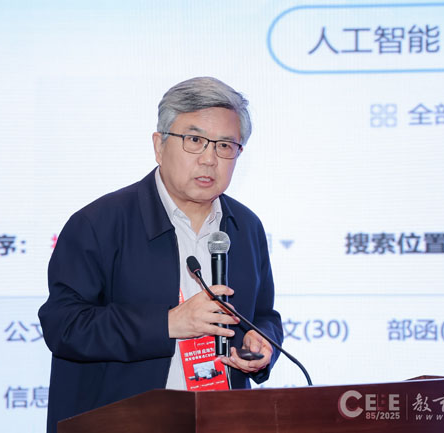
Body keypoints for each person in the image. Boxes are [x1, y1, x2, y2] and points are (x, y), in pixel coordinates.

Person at [38, 76, 283, 432]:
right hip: (121, 423)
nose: (209, 159)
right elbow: (64, 326)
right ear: (159, 145)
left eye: (225, 146)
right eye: (195, 140)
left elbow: (263, 315)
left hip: (220, 420)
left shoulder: (246, 226)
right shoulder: (99, 223)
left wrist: (261, 344)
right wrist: (168, 324)